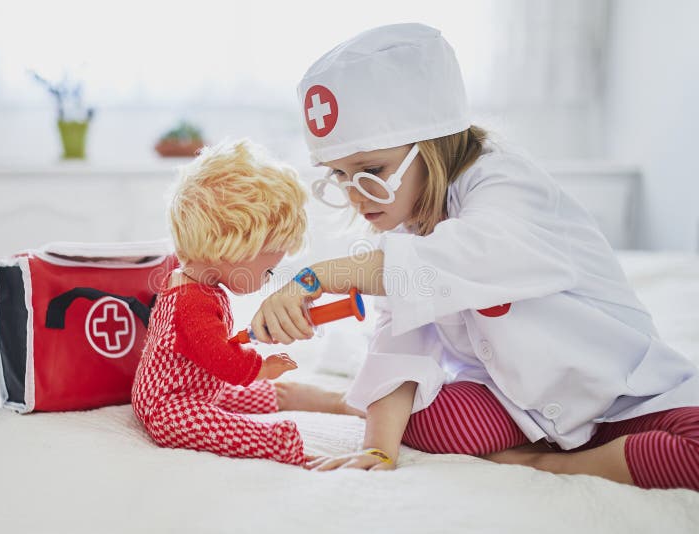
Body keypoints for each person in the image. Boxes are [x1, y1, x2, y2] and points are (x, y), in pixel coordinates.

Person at [254, 23, 699, 489]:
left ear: (431, 146)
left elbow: (463, 256)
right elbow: (399, 340)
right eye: (338, 176)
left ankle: (548, 464)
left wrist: (320, 277)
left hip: (622, 393)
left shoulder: (506, 184)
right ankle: (350, 402)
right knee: (423, 419)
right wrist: (377, 448)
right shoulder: (409, 223)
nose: (353, 195)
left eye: (370, 171)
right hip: (519, 406)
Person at [131, 139, 307, 465]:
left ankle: (302, 399)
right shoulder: (191, 300)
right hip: (168, 405)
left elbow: (208, 348)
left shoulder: (194, 284)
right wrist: (262, 368)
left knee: (232, 393)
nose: (268, 277)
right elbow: (219, 357)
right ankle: (277, 441)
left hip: (197, 387)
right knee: (211, 423)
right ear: (232, 248)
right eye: (268, 269)